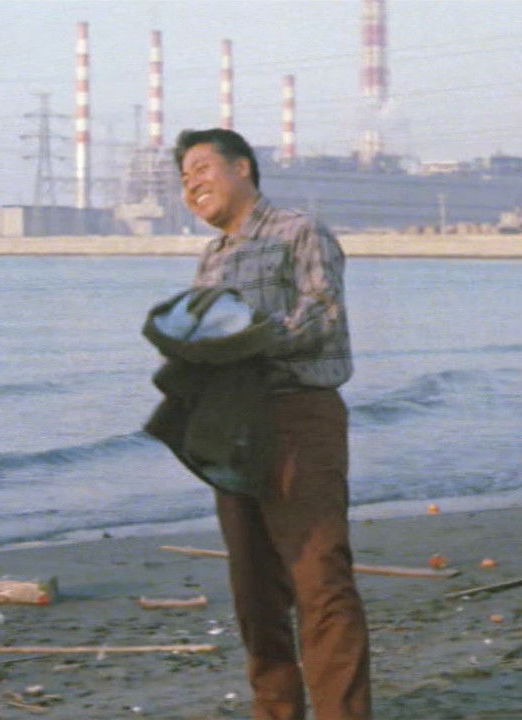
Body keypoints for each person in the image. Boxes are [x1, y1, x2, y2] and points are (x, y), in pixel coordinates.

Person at [171, 128, 371, 720]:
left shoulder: (298, 231)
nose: (191, 184)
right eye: (183, 178)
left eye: (201, 168)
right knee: (254, 590)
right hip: (231, 432)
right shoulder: (212, 256)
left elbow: (322, 316)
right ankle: (275, 711)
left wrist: (240, 343)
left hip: (296, 417)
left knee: (320, 577)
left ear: (242, 168)